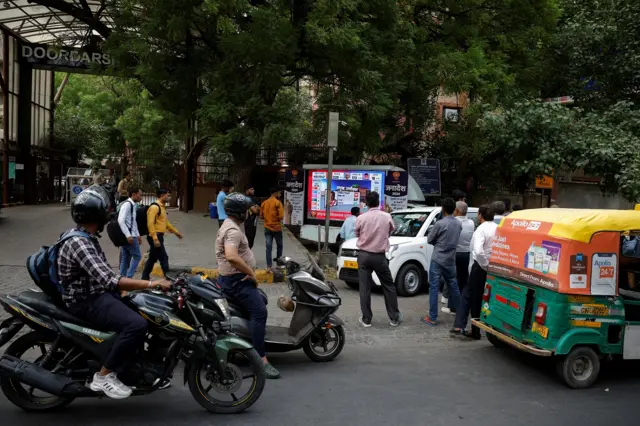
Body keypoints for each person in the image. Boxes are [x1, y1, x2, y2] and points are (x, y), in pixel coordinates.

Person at [60, 185, 170, 399]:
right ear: (96, 216)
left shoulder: (83, 235)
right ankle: (103, 377)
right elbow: (111, 280)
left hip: (94, 293)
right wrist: (151, 284)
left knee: (140, 309)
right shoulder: (80, 242)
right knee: (136, 325)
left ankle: (134, 368)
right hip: (86, 300)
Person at [216, 193, 281, 379]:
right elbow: (231, 255)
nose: (248, 212)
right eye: (245, 209)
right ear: (239, 211)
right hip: (237, 282)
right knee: (260, 312)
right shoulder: (233, 231)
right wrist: (250, 272)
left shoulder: (229, 225)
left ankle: (245, 338)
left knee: (260, 299)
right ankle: (261, 359)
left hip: (231, 279)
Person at [355, 191, 403, 328]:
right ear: (379, 202)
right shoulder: (387, 216)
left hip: (363, 255)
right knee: (388, 285)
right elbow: (391, 231)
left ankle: (366, 319)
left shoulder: (361, 217)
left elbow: (357, 233)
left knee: (364, 288)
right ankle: (394, 317)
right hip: (379, 256)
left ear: (366, 203)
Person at [450, 205, 498, 339]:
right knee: (477, 298)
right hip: (492, 266)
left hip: (480, 267)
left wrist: (484, 265)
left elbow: (478, 251)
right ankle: (474, 330)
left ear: (480, 215)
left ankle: (460, 325)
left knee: (467, 295)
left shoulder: (481, 230)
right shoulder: (497, 228)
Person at [421, 198, 462, 326]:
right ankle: (461, 315)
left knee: (433, 287)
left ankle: (432, 317)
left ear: (443, 209)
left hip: (438, 258)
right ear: (454, 209)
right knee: (454, 286)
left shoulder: (440, 224)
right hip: (450, 259)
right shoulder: (458, 224)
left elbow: (429, 239)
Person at [141, 189, 183, 280]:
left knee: (152, 258)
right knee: (164, 258)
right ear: (162, 195)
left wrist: (176, 232)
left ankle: (144, 277)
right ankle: (169, 279)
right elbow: (150, 223)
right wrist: (155, 239)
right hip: (155, 236)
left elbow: (166, 223)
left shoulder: (162, 207)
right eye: (167, 195)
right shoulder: (155, 207)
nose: (169, 197)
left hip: (159, 236)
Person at [442, 201, 475, 315]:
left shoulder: (454, 223)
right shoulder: (471, 223)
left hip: (455, 253)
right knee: (464, 280)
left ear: (456, 211)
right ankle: (463, 305)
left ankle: (452, 307)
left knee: (452, 280)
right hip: (467, 254)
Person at [118, 187, 143, 278]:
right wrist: (128, 236)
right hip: (129, 236)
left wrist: (138, 235)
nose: (141, 197)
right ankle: (129, 277)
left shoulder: (133, 205)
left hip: (131, 235)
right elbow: (121, 220)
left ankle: (122, 277)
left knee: (126, 256)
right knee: (137, 256)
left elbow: (133, 222)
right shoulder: (127, 205)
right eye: (140, 194)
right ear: (134, 194)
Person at [261, 188, 284, 272]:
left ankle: (269, 266)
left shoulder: (264, 203)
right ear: (276, 193)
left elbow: (261, 216)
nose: (280, 194)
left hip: (267, 228)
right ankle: (279, 264)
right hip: (277, 228)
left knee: (268, 247)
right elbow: (281, 217)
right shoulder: (278, 203)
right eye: (279, 193)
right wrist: (275, 218)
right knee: (279, 246)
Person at [244, 185, 259, 249]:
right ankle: (246, 255)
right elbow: (255, 210)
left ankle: (247, 254)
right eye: (252, 189)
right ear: (247, 190)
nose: (253, 190)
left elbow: (259, 209)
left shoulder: (253, 198)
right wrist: (256, 207)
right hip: (249, 221)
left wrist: (257, 207)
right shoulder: (247, 198)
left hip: (254, 221)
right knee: (248, 239)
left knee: (251, 239)